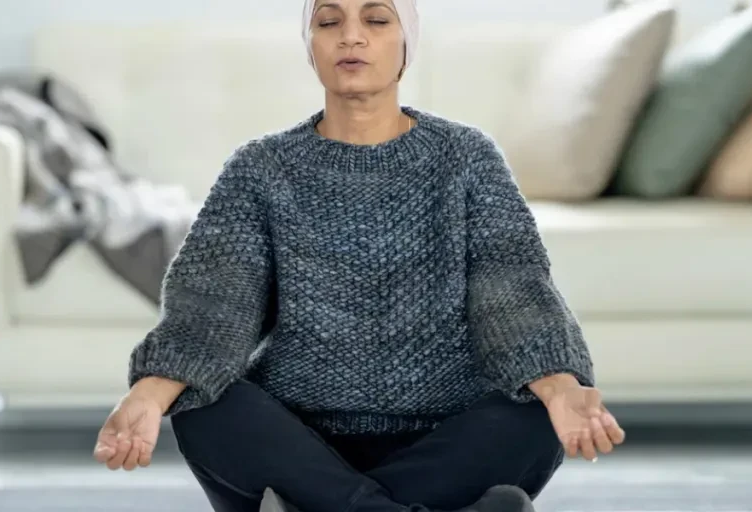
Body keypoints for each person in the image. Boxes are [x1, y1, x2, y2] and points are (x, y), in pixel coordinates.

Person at [93, 0, 627, 510]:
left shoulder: (467, 158)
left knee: (534, 417)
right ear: (310, 46)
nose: (351, 36)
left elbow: (510, 290)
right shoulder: (260, 167)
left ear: (406, 42)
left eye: (376, 19)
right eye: (328, 22)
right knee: (205, 409)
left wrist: (559, 389)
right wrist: (148, 394)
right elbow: (215, 306)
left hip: (444, 439)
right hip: (301, 444)